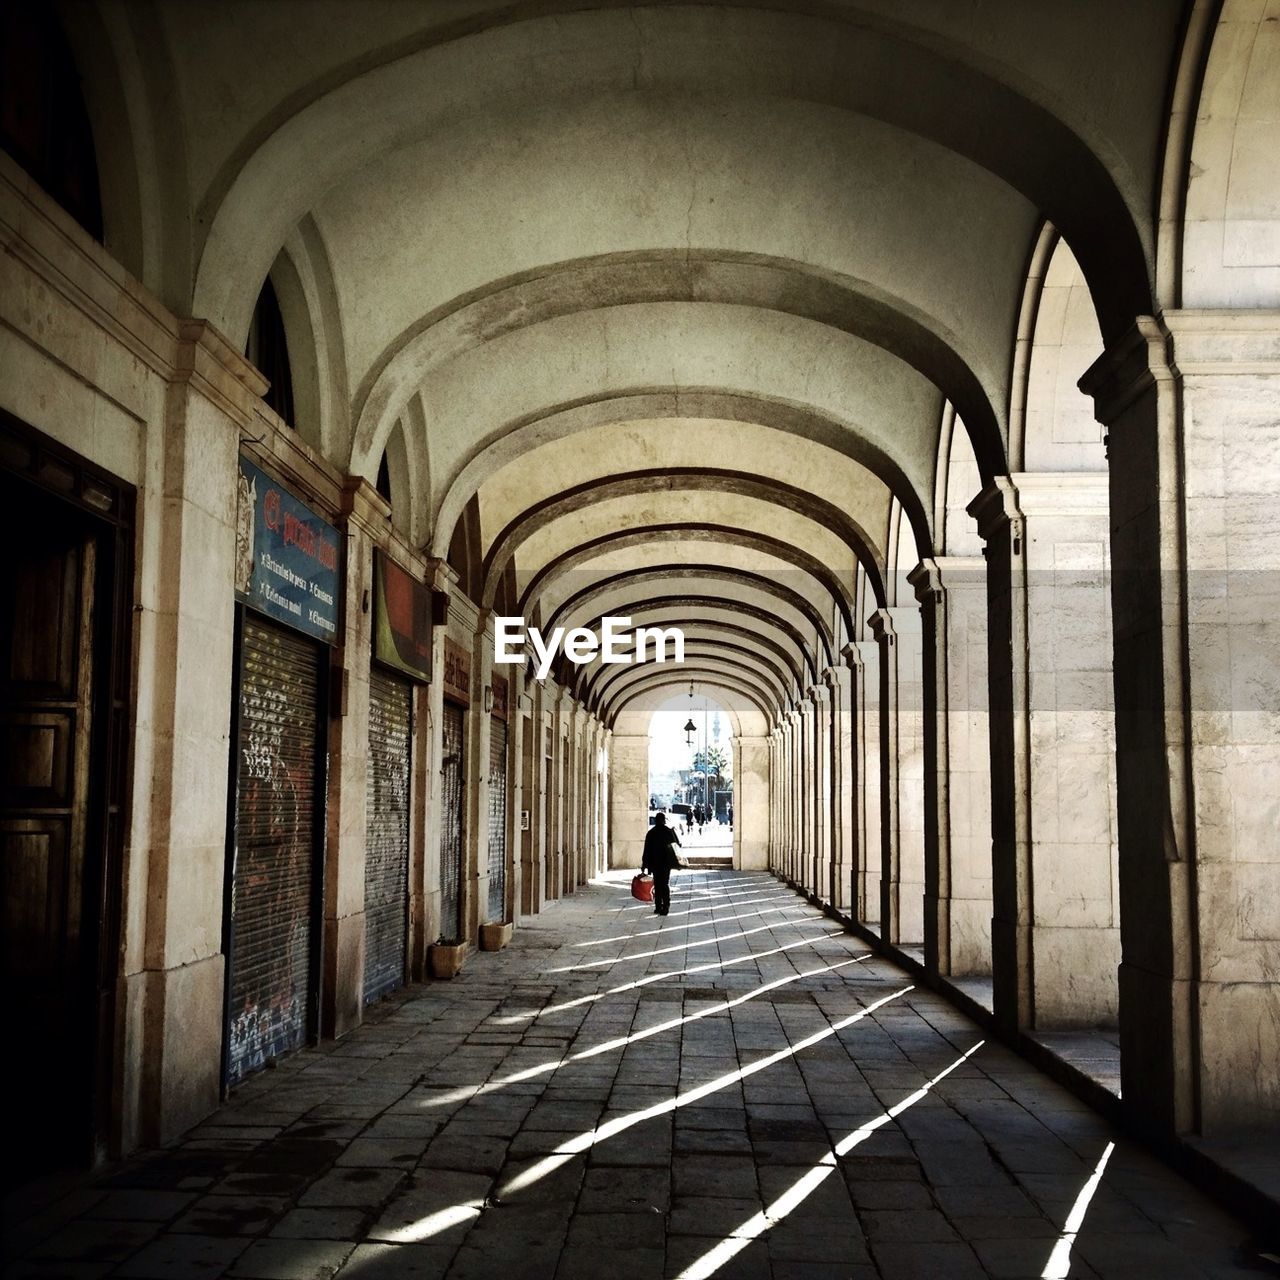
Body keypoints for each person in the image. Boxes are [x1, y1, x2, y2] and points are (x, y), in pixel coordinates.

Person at [641, 812, 682, 916]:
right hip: (666, 863)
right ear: (664, 820)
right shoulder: (668, 832)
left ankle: (658, 906)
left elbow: (647, 850)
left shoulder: (651, 833)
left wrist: (644, 864)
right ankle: (666, 906)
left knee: (657, 884)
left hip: (655, 863)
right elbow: (676, 847)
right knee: (664, 884)